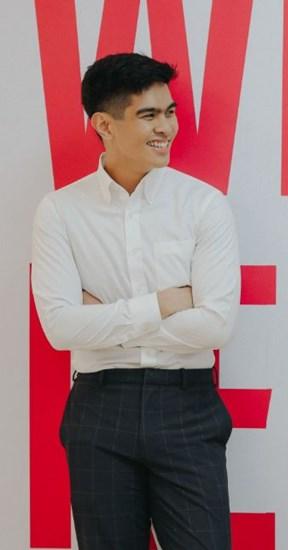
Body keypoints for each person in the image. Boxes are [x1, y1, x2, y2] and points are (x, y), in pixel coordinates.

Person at [31, 52, 240, 549]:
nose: (166, 127)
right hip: (99, 407)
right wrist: (164, 303)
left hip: (187, 405)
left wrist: (103, 317)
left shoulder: (204, 205)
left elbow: (215, 326)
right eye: (149, 115)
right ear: (104, 125)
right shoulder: (60, 211)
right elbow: (61, 328)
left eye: (169, 112)